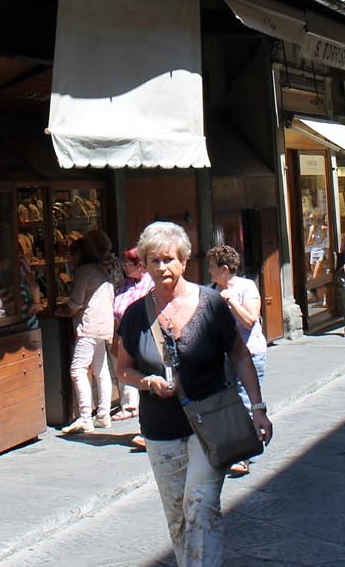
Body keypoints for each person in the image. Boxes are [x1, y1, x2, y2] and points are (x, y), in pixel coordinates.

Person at [116, 221, 272, 567]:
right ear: (144, 263)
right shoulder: (134, 315)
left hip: (211, 425)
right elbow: (123, 369)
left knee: (200, 507)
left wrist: (258, 407)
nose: (162, 268)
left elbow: (239, 355)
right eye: (154, 260)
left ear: (184, 261)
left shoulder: (211, 304)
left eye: (170, 259)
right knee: (178, 517)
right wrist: (147, 383)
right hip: (160, 430)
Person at [206, 245, 265, 477]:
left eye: (212, 267)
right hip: (223, 356)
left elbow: (250, 320)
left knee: (246, 401)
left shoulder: (246, 287)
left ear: (225, 269)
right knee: (228, 404)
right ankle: (235, 449)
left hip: (250, 353)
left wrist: (231, 301)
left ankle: (245, 456)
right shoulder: (210, 289)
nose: (209, 271)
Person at [62, 228, 118, 434]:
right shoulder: (102, 270)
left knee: (77, 369)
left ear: (79, 254)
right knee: (100, 369)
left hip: (88, 326)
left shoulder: (84, 271)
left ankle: (85, 416)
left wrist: (68, 309)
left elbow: (76, 301)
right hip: (104, 325)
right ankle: (103, 414)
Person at [111, 247, 152, 423]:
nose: (125, 267)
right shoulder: (126, 283)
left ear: (141, 265)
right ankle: (128, 404)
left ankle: (143, 413)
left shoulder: (150, 283)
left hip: (143, 333)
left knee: (141, 369)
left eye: (129, 264)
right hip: (123, 331)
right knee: (123, 368)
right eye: (125, 264)